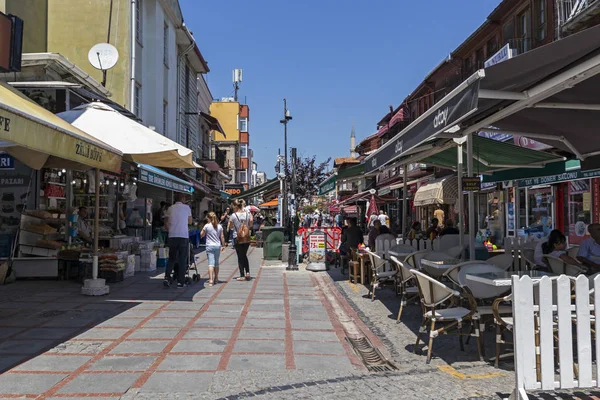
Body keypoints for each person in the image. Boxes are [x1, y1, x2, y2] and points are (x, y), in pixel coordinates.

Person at [163, 193, 192, 288]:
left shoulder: (170, 208)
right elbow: (190, 221)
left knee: (171, 258)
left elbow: (166, 223)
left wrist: (170, 230)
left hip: (172, 236)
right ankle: (180, 282)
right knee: (182, 259)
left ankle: (167, 278)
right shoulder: (187, 208)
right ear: (183, 198)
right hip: (183, 236)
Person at [228, 199, 254, 281]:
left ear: (235, 206)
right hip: (246, 237)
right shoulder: (247, 214)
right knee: (244, 255)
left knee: (240, 256)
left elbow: (231, 227)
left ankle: (242, 275)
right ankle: (248, 272)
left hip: (237, 237)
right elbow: (251, 222)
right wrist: (247, 227)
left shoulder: (233, 215)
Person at [201, 212, 226, 287]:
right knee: (216, 263)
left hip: (209, 246)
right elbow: (222, 236)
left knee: (210, 263)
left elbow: (201, 234)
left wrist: (203, 232)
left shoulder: (207, 226)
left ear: (208, 218)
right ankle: (216, 278)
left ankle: (211, 280)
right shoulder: (219, 226)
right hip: (217, 246)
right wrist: (223, 245)